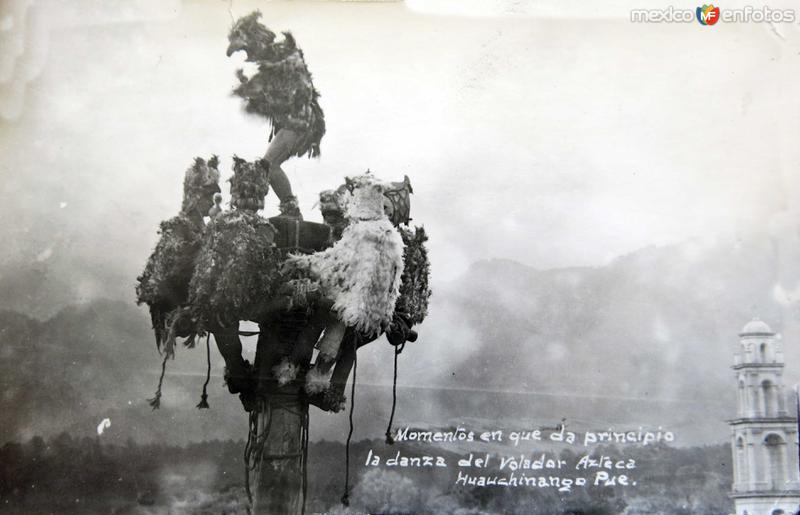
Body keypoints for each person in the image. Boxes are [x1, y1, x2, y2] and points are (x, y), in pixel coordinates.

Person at [227, 11, 326, 219]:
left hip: (300, 122)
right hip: (295, 122)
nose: (247, 55)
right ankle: (291, 209)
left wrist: (256, 89)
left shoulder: (282, 54)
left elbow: (294, 90)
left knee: (269, 165)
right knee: (269, 165)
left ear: (256, 41)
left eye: (246, 48)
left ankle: (292, 211)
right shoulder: (274, 59)